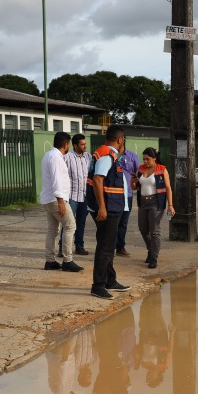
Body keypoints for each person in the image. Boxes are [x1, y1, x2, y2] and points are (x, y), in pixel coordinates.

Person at [87, 125, 131, 300]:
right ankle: (98, 286)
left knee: (109, 245)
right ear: (120, 139)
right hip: (108, 209)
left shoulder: (108, 153)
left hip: (113, 207)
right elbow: (98, 179)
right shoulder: (107, 154)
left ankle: (110, 280)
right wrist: (103, 207)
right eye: (124, 140)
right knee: (105, 248)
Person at [40, 132, 82, 273]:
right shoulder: (56, 158)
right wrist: (61, 202)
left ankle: (50, 261)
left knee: (53, 230)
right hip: (55, 199)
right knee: (70, 226)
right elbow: (57, 179)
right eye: (69, 144)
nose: (69, 146)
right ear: (65, 144)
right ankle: (67, 260)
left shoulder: (49, 155)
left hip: (49, 199)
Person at [135, 147, 174, 269]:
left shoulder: (162, 169)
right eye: (144, 159)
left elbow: (168, 188)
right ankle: (151, 249)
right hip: (142, 202)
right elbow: (134, 186)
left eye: (147, 159)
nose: (145, 162)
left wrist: (170, 205)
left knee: (155, 231)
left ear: (154, 158)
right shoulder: (140, 169)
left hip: (156, 203)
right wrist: (132, 182)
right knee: (143, 229)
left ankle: (154, 258)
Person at [60, 133, 91, 257]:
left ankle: (79, 246)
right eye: (82, 144)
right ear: (75, 145)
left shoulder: (88, 157)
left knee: (81, 222)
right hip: (72, 195)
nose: (84, 146)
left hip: (84, 195)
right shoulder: (67, 157)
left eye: (85, 144)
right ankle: (63, 248)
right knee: (68, 223)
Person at [115, 141, 140, 258]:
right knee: (113, 221)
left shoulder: (132, 156)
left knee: (123, 222)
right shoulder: (111, 156)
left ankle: (120, 247)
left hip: (127, 195)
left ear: (121, 141)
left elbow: (138, 173)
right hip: (113, 194)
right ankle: (110, 246)